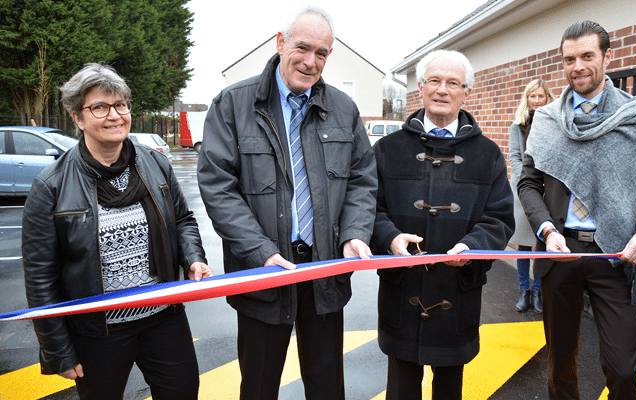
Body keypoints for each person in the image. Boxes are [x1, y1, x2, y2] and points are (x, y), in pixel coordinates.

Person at [196, 5, 377, 400]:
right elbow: (218, 188)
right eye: (303, 47)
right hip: (264, 272)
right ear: (280, 43)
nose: (311, 62)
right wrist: (260, 252)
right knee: (259, 386)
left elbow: (363, 181)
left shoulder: (344, 110)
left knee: (327, 386)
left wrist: (354, 234)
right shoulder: (232, 104)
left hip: (325, 267)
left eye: (322, 54)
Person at [22, 63, 213, 399]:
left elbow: (182, 220)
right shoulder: (50, 185)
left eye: (121, 105)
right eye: (99, 107)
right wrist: (57, 350)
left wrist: (194, 258)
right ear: (78, 118)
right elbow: (40, 277)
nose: (114, 115)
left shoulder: (155, 164)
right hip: (98, 330)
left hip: (163, 314)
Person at [517, 21, 636, 400]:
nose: (578, 66)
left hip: (617, 257)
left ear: (608, 56)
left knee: (623, 370)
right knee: (560, 364)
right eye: (569, 59)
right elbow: (528, 184)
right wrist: (547, 231)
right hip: (560, 252)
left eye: (587, 56)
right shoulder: (547, 119)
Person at [371, 50, 514, 400]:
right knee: (401, 387)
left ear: (466, 91)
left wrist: (473, 247)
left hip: (458, 289)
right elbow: (368, 208)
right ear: (420, 87)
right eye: (434, 81)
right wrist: (389, 238)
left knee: (450, 388)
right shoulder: (388, 149)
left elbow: (499, 217)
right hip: (402, 289)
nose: (442, 90)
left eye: (453, 83)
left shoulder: (488, 154)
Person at [508, 79, 554, 313]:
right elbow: (515, 157)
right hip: (524, 191)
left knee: (543, 246)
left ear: (547, 98)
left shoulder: (554, 122)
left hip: (550, 192)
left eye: (540, 96)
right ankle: (524, 291)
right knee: (525, 246)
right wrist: (527, 181)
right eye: (532, 96)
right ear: (527, 99)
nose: (536, 101)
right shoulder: (518, 125)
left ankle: (538, 292)